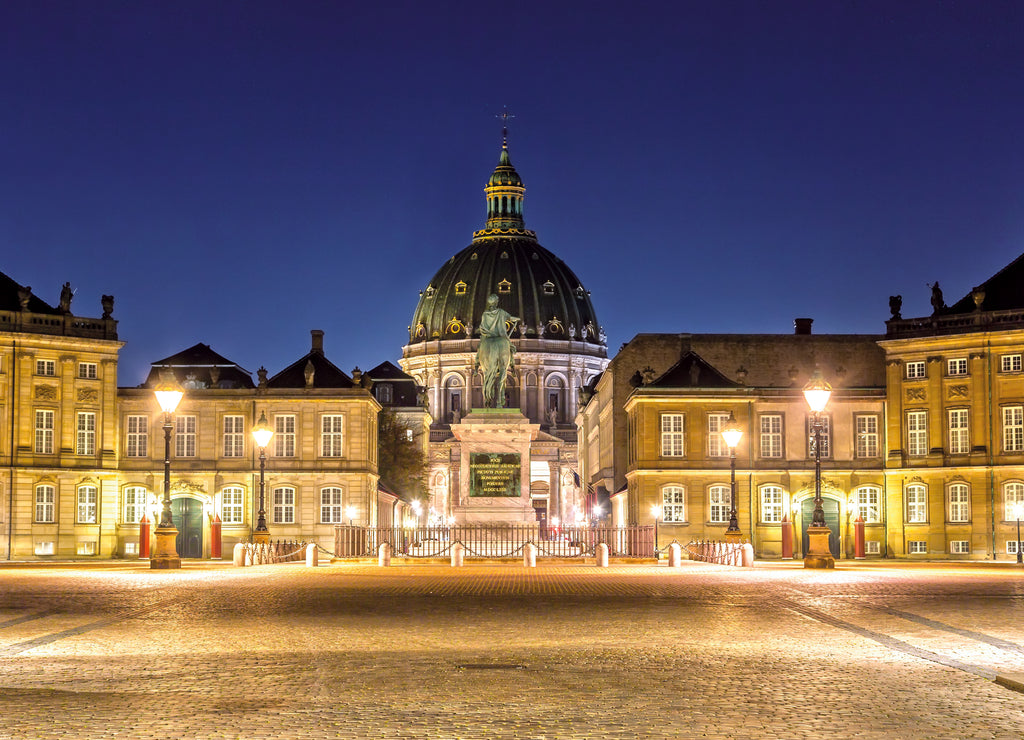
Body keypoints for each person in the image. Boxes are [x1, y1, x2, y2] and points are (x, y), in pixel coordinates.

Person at [475, 294, 519, 408]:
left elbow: (483, 328)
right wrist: (516, 319)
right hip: (501, 338)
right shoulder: (501, 312)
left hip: (487, 338)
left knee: (481, 347)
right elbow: (511, 318)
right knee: (507, 347)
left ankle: (476, 365)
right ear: (496, 302)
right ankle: (512, 365)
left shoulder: (485, 314)